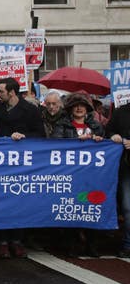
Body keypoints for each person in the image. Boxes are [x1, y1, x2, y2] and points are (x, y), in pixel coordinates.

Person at [0, 78, 44, 258]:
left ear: (12, 92)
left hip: (22, 163)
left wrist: (23, 136)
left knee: (19, 202)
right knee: (1, 202)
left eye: (2, 91)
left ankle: (17, 240)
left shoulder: (31, 110)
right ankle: (2, 241)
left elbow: (40, 134)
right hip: (0, 162)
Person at [52, 93, 104, 257]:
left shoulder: (96, 126)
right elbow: (56, 143)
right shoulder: (62, 125)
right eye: (76, 106)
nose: (80, 108)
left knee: (92, 206)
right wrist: (75, 140)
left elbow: (106, 144)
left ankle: (91, 243)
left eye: (83, 106)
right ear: (70, 109)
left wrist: (99, 140)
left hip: (92, 175)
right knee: (71, 206)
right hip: (71, 175)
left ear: (88, 109)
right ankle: (72, 243)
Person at [107, 102, 130, 258]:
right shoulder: (121, 112)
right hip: (126, 167)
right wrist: (113, 136)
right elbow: (109, 130)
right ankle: (128, 243)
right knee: (128, 208)